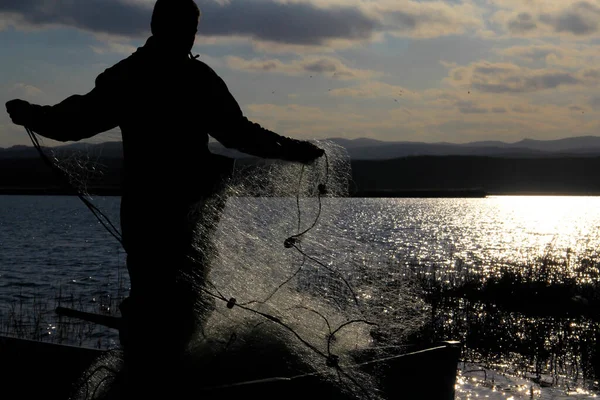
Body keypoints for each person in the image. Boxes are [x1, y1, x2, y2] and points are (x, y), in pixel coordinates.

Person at [6, 0, 324, 394]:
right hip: (181, 207)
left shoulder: (132, 75)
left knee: (163, 296)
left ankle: (151, 376)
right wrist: (293, 149)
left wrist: (31, 114)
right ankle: (159, 380)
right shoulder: (189, 77)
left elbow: (73, 121)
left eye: (192, 30)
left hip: (155, 208)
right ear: (171, 28)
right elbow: (237, 133)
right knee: (171, 299)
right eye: (188, 29)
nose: (190, 37)